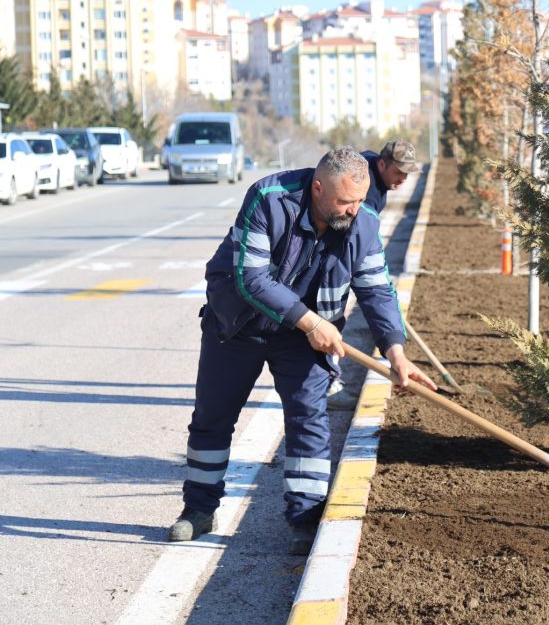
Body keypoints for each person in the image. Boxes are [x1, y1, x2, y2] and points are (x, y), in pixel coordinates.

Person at [169, 147, 436, 554]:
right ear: (316, 188)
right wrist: (311, 322)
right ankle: (199, 510)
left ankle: (305, 518)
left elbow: (377, 289)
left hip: (302, 338)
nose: (354, 210)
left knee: (308, 420)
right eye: (345, 201)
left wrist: (395, 352)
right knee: (212, 419)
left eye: (361, 200)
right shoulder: (269, 199)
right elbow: (251, 278)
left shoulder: (362, 223)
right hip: (238, 325)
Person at [326, 139, 422, 409]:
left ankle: (328, 382)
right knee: (327, 322)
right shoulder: (363, 183)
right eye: (398, 172)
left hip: (348, 255)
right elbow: (355, 235)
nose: (403, 179)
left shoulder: (379, 181)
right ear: (382, 164)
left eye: (407, 173)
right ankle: (330, 385)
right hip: (332, 260)